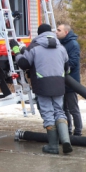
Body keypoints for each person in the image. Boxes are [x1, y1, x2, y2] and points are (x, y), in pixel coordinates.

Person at [12, 24, 72, 154]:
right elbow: (67, 68)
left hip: (42, 84)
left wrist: (16, 51)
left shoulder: (34, 47)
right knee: (59, 111)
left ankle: (53, 146)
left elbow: (24, 64)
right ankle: (66, 141)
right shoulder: (61, 47)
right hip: (59, 83)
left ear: (38, 33)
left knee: (48, 113)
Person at [56, 23, 82, 136]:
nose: (56, 32)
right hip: (62, 82)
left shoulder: (73, 44)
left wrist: (59, 67)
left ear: (66, 32)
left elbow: (73, 62)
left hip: (71, 81)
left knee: (73, 109)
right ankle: (67, 130)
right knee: (64, 109)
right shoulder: (60, 44)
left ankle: (78, 132)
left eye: (59, 30)